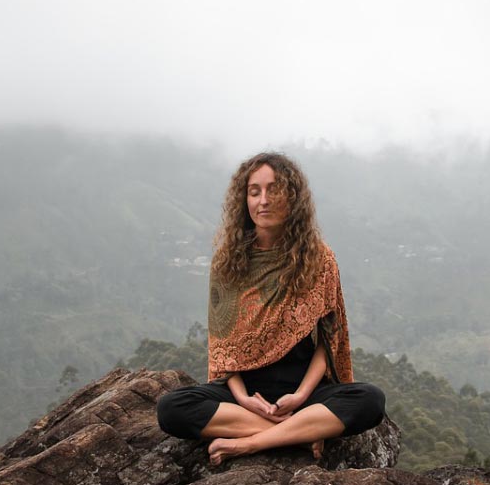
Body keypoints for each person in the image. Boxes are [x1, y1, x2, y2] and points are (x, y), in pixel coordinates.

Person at [156, 152, 386, 465]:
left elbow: (328, 342)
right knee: (171, 409)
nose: (263, 200)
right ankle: (301, 435)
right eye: (254, 192)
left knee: (370, 401)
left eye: (273, 190)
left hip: (302, 391)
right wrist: (243, 399)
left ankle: (250, 443)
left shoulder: (319, 260)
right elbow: (223, 350)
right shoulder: (228, 262)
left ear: (292, 198)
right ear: (244, 200)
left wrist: (302, 396)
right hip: (246, 394)